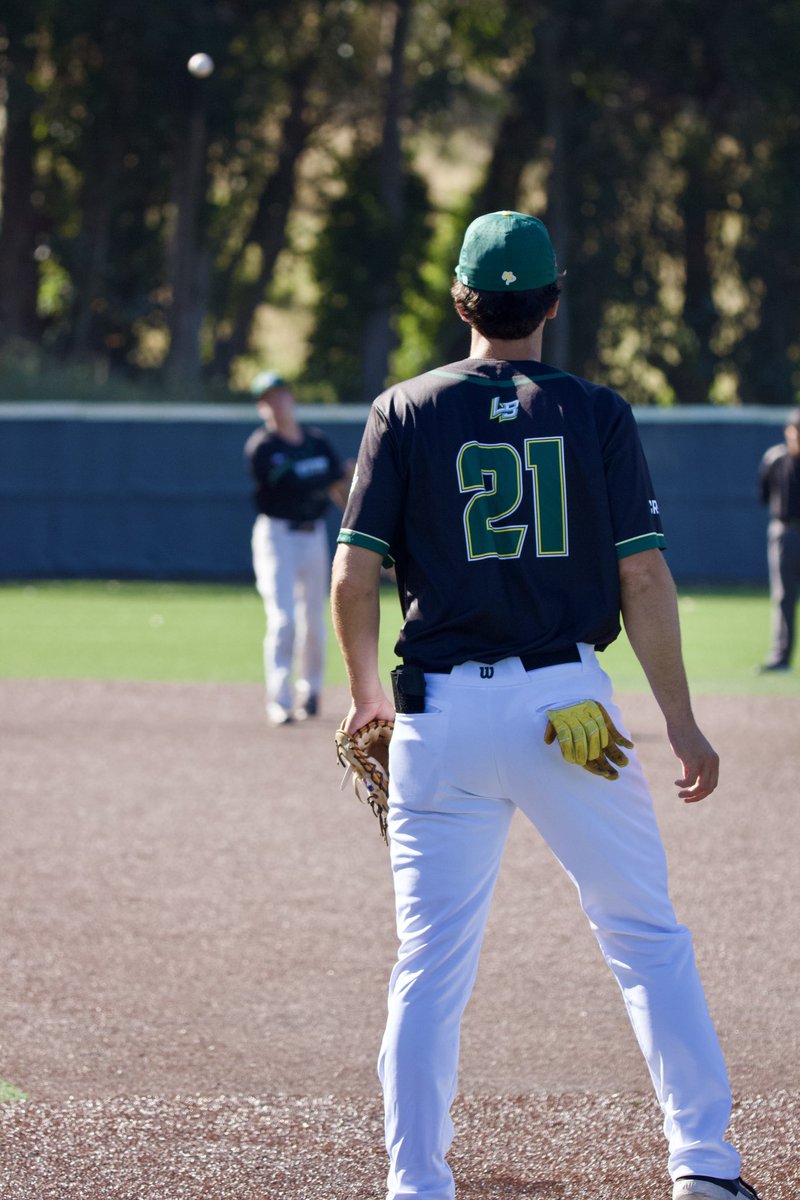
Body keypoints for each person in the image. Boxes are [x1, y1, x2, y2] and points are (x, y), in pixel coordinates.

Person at [330, 212, 760, 1200]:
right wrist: (681, 721)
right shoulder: (594, 411)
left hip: (438, 715)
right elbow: (641, 576)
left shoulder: (403, 408)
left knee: (428, 964)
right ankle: (701, 1163)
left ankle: (416, 1182)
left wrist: (364, 699)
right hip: (568, 709)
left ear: (461, 302)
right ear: (551, 303)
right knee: (643, 937)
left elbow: (354, 575)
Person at [245, 371, 352, 726]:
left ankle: (312, 691)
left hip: (313, 534)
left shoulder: (316, 441)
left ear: (291, 398)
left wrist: (354, 516)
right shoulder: (262, 448)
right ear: (262, 406)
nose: (277, 403)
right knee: (284, 618)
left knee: (315, 620)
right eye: (268, 398)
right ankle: (279, 700)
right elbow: (294, 484)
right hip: (278, 535)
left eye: (280, 395)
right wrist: (339, 474)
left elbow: (338, 485)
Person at [756, 408, 800, 672]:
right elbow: (763, 495)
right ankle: (781, 657)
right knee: (784, 595)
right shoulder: (775, 458)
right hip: (784, 532)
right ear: (787, 431)